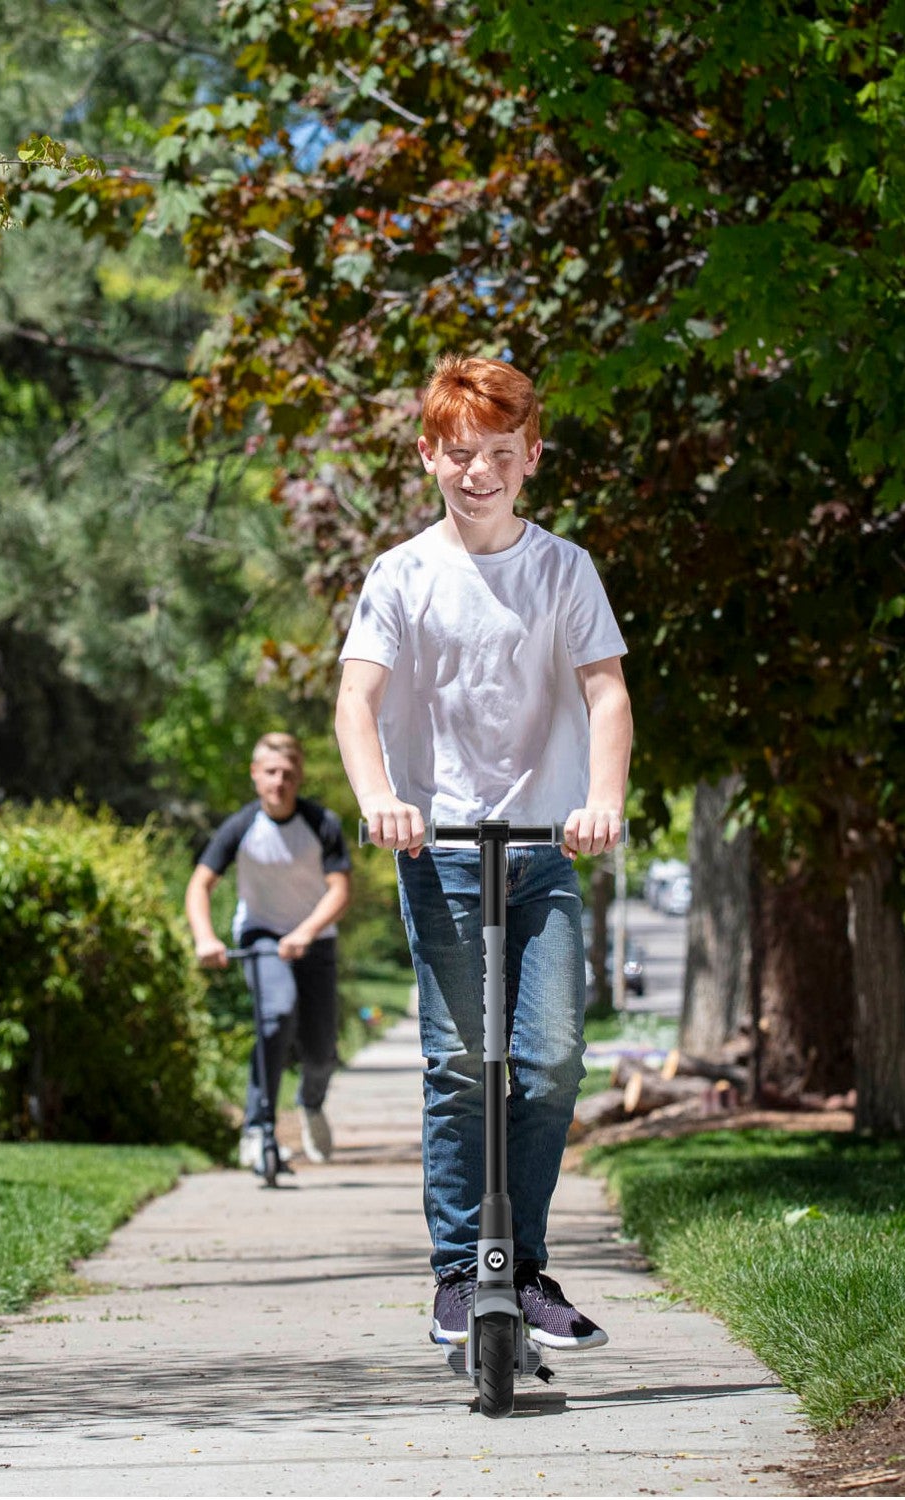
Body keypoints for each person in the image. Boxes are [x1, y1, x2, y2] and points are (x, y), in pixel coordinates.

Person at [335, 354, 632, 1352]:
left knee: (546, 1063)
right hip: (444, 853)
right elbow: (358, 701)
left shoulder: (563, 571)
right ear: (429, 456)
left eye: (499, 455)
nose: (478, 473)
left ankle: (527, 1267)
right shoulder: (403, 576)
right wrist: (382, 799)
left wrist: (601, 799)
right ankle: (460, 1274)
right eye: (459, 455)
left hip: (544, 853)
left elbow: (605, 692)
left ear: (531, 456)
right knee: (463, 1065)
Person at [186, 732, 352, 1172]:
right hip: (261, 937)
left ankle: (310, 1103)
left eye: (288, 773)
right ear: (255, 775)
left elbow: (340, 890)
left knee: (320, 1053)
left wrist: (306, 932)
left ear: (298, 776)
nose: (279, 782)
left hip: (315, 940)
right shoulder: (241, 827)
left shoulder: (322, 824)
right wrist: (205, 937)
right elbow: (200, 884)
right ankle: (257, 1126)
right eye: (271, 772)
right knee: (276, 1015)